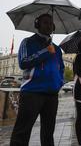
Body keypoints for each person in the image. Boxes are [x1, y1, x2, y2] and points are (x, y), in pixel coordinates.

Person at [10, 14, 65, 146]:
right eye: (45, 22)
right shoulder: (27, 42)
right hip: (32, 93)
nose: (49, 25)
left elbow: (61, 68)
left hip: (51, 95)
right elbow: (23, 62)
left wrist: (59, 82)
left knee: (48, 133)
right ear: (37, 24)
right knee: (22, 132)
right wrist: (45, 51)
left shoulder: (57, 49)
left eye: (51, 23)